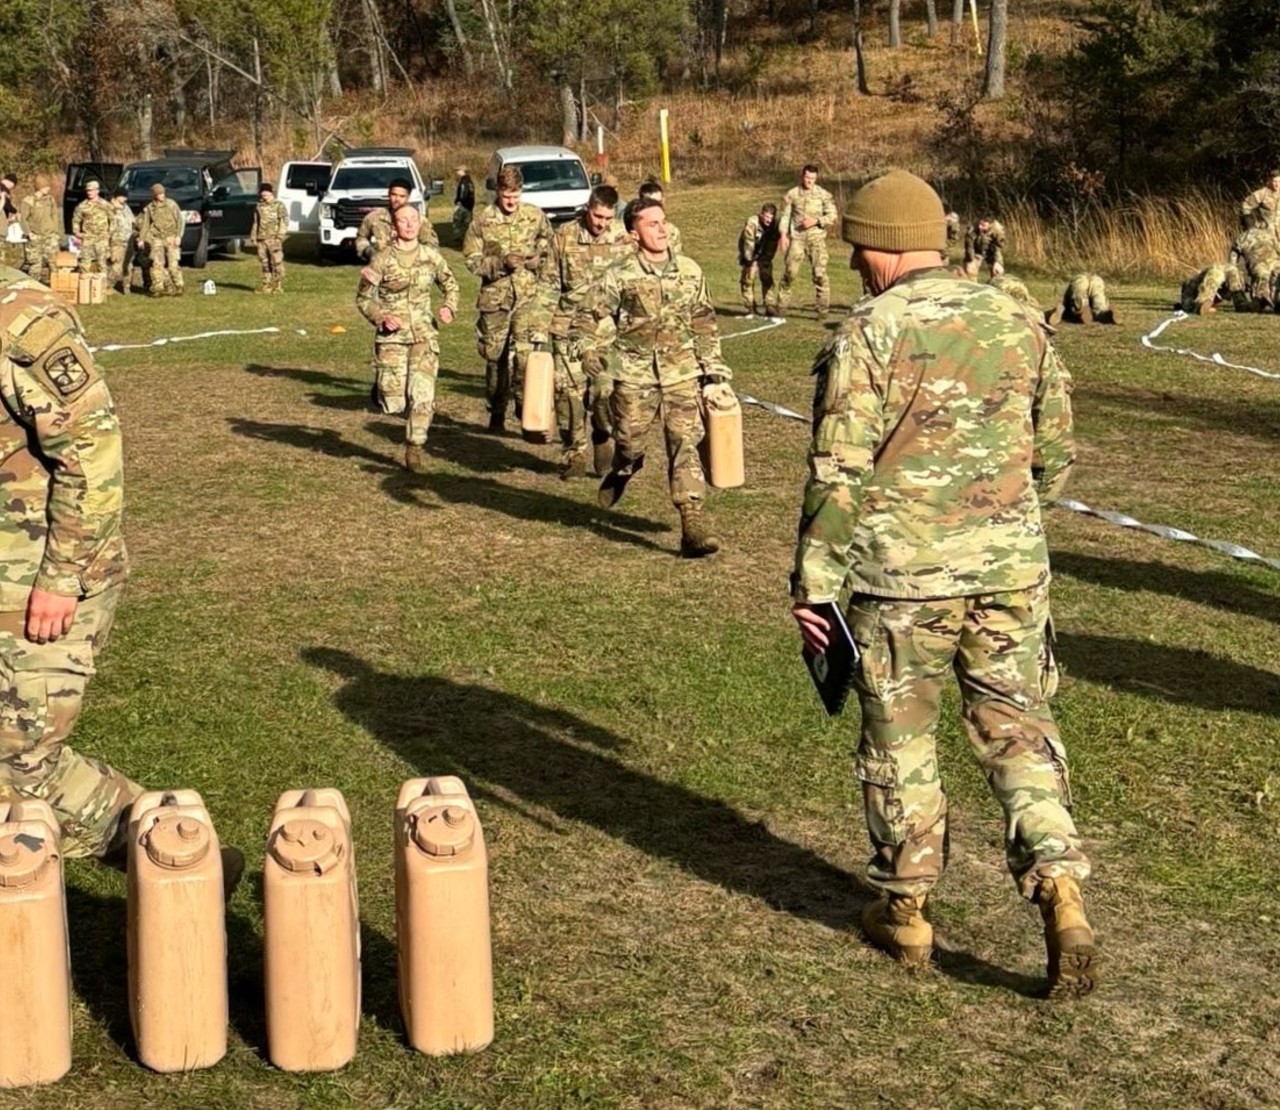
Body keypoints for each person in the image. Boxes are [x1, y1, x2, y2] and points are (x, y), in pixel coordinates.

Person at [790, 170, 1095, 999]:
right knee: (1018, 729)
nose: (851, 258)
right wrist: (1005, 522)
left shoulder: (870, 332)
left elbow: (838, 467)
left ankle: (908, 910)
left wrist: (814, 584)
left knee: (901, 740)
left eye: (857, 243)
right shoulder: (1019, 316)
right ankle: (1061, 887)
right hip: (1009, 573)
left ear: (880, 245)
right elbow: (1057, 455)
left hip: (902, 582)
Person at [0, 265, 244, 891]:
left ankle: (187, 862)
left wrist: (63, 576)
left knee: (22, 765)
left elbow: (90, 448)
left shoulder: (19, 316)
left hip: (40, 580)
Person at [576, 197, 731, 559]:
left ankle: (691, 524)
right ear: (634, 233)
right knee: (631, 444)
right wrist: (588, 351)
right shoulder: (619, 274)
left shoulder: (690, 270)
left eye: (663, 222)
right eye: (651, 224)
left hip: (682, 373)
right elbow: (587, 316)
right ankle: (625, 467)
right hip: (633, 376)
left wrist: (715, 371)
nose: (661, 229)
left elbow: (705, 325)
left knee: (685, 443)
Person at [357, 206, 459, 473]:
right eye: (403, 220)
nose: (410, 225)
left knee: (423, 397)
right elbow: (364, 299)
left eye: (414, 220)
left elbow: (451, 284)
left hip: (424, 336)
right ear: (394, 226)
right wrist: (380, 318)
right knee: (395, 403)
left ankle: (414, 447)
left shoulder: (431, 257)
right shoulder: (382, 259)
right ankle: (381, 389)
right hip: (392, 339)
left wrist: (449, 306)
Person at [462, 164, 554, 433]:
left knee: (524, 355)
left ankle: (525, 406)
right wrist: (499, 264)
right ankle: (496, 409)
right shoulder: (483, 219)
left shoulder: (534, 216)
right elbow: (471, 259)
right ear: (498, 192)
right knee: (495, 359)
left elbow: (550, 244)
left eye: (515, 196)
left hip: (527, 295)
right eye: (506, 196)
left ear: (521, 191)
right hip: (496, 298)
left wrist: (539, 259)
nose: (511, 202)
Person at [549, 184, 632, 479]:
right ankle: (575, 452)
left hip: (608, 331)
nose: (602, 224)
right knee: (567, 392)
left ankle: (602, 433)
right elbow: (548, 283)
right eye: (598, 217)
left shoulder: (624, 239)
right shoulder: (565, 236)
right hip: (569, 326)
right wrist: (538, 327)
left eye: (608, 218)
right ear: (588, 209)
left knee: (604, 392)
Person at [778, 164, 839, 321]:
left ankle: (822, 312)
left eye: (812, 178)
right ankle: (781, 308)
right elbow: (785, 216)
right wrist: (783, 235)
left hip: (816, 240)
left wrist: (816, 221)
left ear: (816, 178)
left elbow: (833, 216)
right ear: (802, 176)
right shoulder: (792, 194)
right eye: (807, 178)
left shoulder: (823, 195)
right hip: (797, 239)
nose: (809, 181)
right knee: (790, 273)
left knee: (820, 275)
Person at [355, 178, 438, 260]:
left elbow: (431, 243)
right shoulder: (374, 217)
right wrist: (368, 251)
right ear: (388, 194)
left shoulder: (418, 219)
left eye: (402, 196)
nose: (397, 199)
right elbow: (361, 236)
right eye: (394, 194)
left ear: (408, 197)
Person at [135, 183, 184, 297]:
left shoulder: (171, 204)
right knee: (157, 264)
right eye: (159, 194)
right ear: (154, 195)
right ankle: (158, 288)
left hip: (171, 237)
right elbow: (146, 224)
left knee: (173, 265)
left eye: (162, 193)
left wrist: (178, 236)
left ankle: (179, 285)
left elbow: (180, 221)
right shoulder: (150, 208)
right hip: (157, 238)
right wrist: (141, 239)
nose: (161, 196)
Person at [738, 202, 782, 319]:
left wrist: (766, 259)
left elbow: (772, 245)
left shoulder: (775, 226)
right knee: (748, 278)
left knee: (767, 277)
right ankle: (750, 306)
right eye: (766, 217)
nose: (768, 220)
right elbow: (748, 243)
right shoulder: (752, 223)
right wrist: (750, 261)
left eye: (771, 218)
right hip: (749, 250)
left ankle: (770, 305)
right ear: (761, 215)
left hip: (765, 252)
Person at [18, 175, 60, 284]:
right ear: (40, 187)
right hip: (35, 236)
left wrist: (55, 231)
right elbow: (23, 219)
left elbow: (54, 215)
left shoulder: (50, 199)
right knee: (35, 264)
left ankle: (55, 286)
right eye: (46, 187)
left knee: (54, 263)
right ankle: (34, 287)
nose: (48, 189)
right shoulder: (28, 201)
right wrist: (29, 233)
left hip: (50, 236)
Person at [249, 181, 289, 294]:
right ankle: (266, 286)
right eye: (262, 191)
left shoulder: (279, 205)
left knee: (276, 262)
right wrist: (253, 236)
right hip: (262, 239)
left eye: (266, 191)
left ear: (271, 192)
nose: (264, 194)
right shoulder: (259, 206)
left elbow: (284, 221)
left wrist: (280, 237)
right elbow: (256, 222)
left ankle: (278, 286)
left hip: (274, 239)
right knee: (265, 263)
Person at [1228, 226, 1280, 311]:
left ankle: (1261, 301)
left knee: (1261, 282)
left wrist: (1237, 277)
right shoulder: (1268, 235)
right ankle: (1274, 302)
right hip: (1275, 263)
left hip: (1259, 267)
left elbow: (1232, 262)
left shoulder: (1241, 238)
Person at [71, 179, 113, 276]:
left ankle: (102, 287)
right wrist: (76, 232)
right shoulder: (82, 206)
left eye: (92, 190)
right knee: (85, 262)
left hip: (102, 238)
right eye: (88, 190)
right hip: (87, 238)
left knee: (101, 263)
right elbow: (76, 220)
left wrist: (109, 233)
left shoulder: (105, 205)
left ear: (97, 191)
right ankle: (85, 285)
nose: (90, 192)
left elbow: (113, 220)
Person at [1049, 273, 1117, 325]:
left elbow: (1063, 297)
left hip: (1079, 280)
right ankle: (1104, 313)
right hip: (1096, 280)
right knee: (1099, 303)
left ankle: (1081, 308)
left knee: (1079, 297)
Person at [1178, 263, 1245, 314]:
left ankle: (1242, 304)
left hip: (1219, 271)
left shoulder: (1192, 282)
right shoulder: (1191, 285)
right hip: (1222, 271)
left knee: (1203, 300)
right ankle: (1242, 304)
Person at [637, 180, 682, 254]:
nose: (657, 207)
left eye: (659, 202)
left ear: (663, 200)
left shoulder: (672, 231)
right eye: (651, 203)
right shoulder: (632, 232)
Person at [107, 188, 136, 294]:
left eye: (125, 196)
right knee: (117, 266)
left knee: (128, 266)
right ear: (117, 196)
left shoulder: (126, 208)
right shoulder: (110, 208)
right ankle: (108, 285)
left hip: (128, 241)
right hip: (117, 241)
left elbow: (133, 221)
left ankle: (127, 287)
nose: (125, 198)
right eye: (122, 196)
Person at [963, 215, 1006, 279]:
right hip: (976, 250)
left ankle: (994, 286)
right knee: (970, 270)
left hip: (991, 251)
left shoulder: (997, 230)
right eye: (979, 224)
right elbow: (969, 246)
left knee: (998, 271)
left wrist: (997, 262)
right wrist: (970, 260)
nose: (980, 227)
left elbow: (998, 248)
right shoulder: (972, 228)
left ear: (990, 225)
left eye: (983, 225)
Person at [452, 165, 475, 241]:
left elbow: (462, 192)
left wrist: (459, 201)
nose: (457, 172)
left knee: (457, 220)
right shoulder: (470, 181)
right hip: (469, 204)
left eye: (458, 170)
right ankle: (467, 237)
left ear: (463, 171)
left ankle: (459, 237)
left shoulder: (463, 181)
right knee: (467, 222)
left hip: (463, 204)